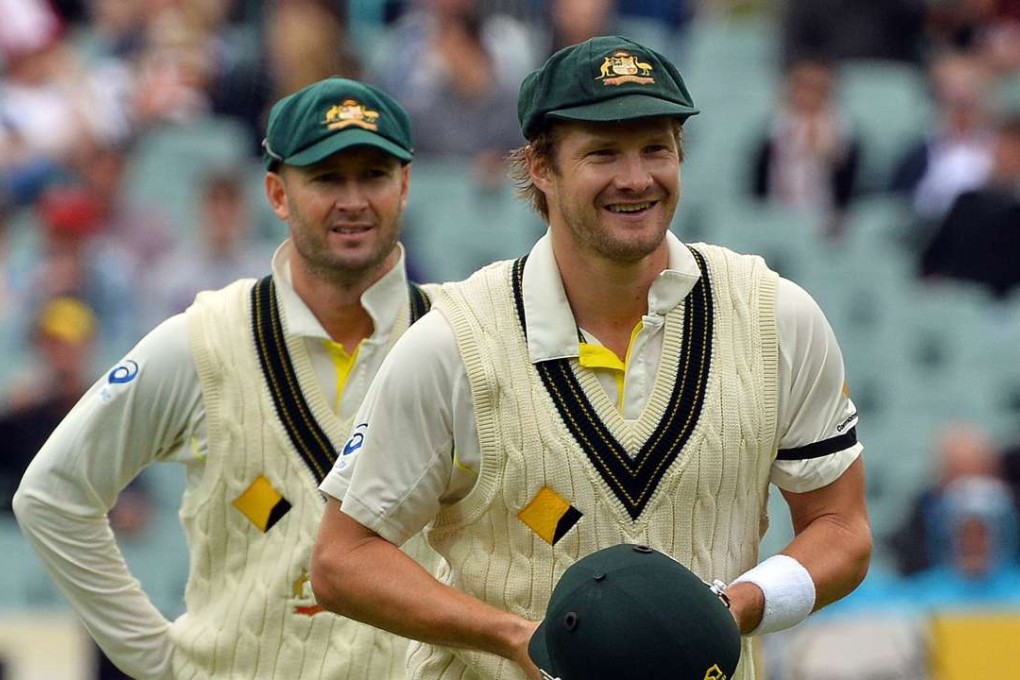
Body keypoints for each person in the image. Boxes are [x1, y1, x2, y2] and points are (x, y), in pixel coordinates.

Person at [311, 36, 872, 680]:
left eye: (655, 148)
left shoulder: (777, 317)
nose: (636, 179)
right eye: (602, 153)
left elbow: (842, 527)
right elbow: (342, 559)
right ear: (540, 168)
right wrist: (518, 639)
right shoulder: (454, 345)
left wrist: (731, 608)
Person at [14, 76, 440, 679]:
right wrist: (161, 661)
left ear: (404, 186)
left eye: (372, 175)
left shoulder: (460, 338)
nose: (352, 199)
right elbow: (51, 496)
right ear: (276, 193)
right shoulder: (206, 338)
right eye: (325, 177)